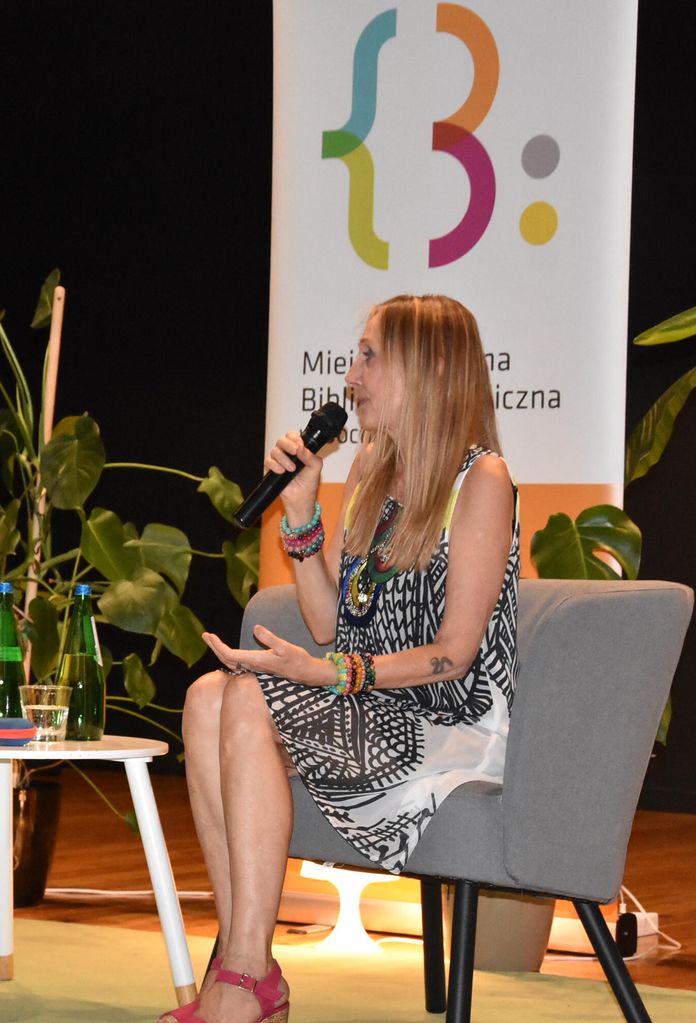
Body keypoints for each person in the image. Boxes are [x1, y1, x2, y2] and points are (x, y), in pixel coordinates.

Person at [161, 295, 518, 1023]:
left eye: (370, 356)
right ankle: (246, 970)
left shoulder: (481, 481)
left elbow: (455, 657)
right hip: (369, 708)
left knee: (248, 696)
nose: (351, 375)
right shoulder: (369, 473)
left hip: (446, 730)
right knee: (205, 697)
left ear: (433, 367)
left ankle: (245, 982)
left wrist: (330, 673)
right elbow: (330, 620)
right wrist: (300, 510)